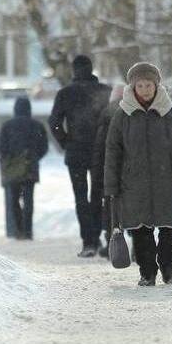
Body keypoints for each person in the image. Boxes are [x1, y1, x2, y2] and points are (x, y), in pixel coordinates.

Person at [104, 62, 172, 286]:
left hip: (165, 181)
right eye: (140, 85)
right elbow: (113, 152)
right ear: (133, 87)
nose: (145, 89)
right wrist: (111, 185)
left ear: (157, 85)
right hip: (133, 185)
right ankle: (147, 272)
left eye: (149, 85)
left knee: (168, 229)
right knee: (141, 232)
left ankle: (167, 267)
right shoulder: (123, 116)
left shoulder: (170, 114)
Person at [49, 55, 112, 257]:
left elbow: (54, 122)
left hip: (76, 151)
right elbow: (113, 120)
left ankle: (89, 242)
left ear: (73, 70)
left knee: (80, 197)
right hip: (100, 151)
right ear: (91, 68)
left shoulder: (65, 93)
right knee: (99, 195)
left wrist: (66, 141)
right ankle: (102, 235)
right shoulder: (104, 92)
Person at [0, 96, 49, 240]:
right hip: (30, 168)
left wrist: (6, 161)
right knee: (29, 200)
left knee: (13, 200)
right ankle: (28, 230)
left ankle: (18, 230)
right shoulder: (37, 125)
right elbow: (44, 147)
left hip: (12, 170)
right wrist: (33, 158)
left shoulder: (7, 126)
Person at [92, 83, 125, 258]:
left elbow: (100, 146)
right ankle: (137, 244)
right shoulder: (133, 111)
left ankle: (112, 242)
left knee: (110, 206)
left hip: (109, 166)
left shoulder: (107, 113)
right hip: (129, 168)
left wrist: (98, 172)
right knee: (131, 205)